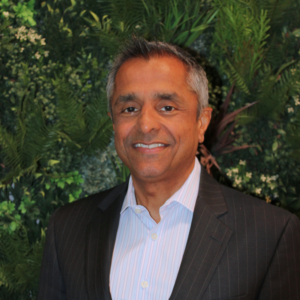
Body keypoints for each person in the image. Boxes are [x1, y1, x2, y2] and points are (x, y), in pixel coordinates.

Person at [38, 38, 300, 300]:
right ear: (113, 123)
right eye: (129, 109)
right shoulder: (67, 228)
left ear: (201, 122)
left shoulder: (270, 235)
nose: (146, 124)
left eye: (167, 107)